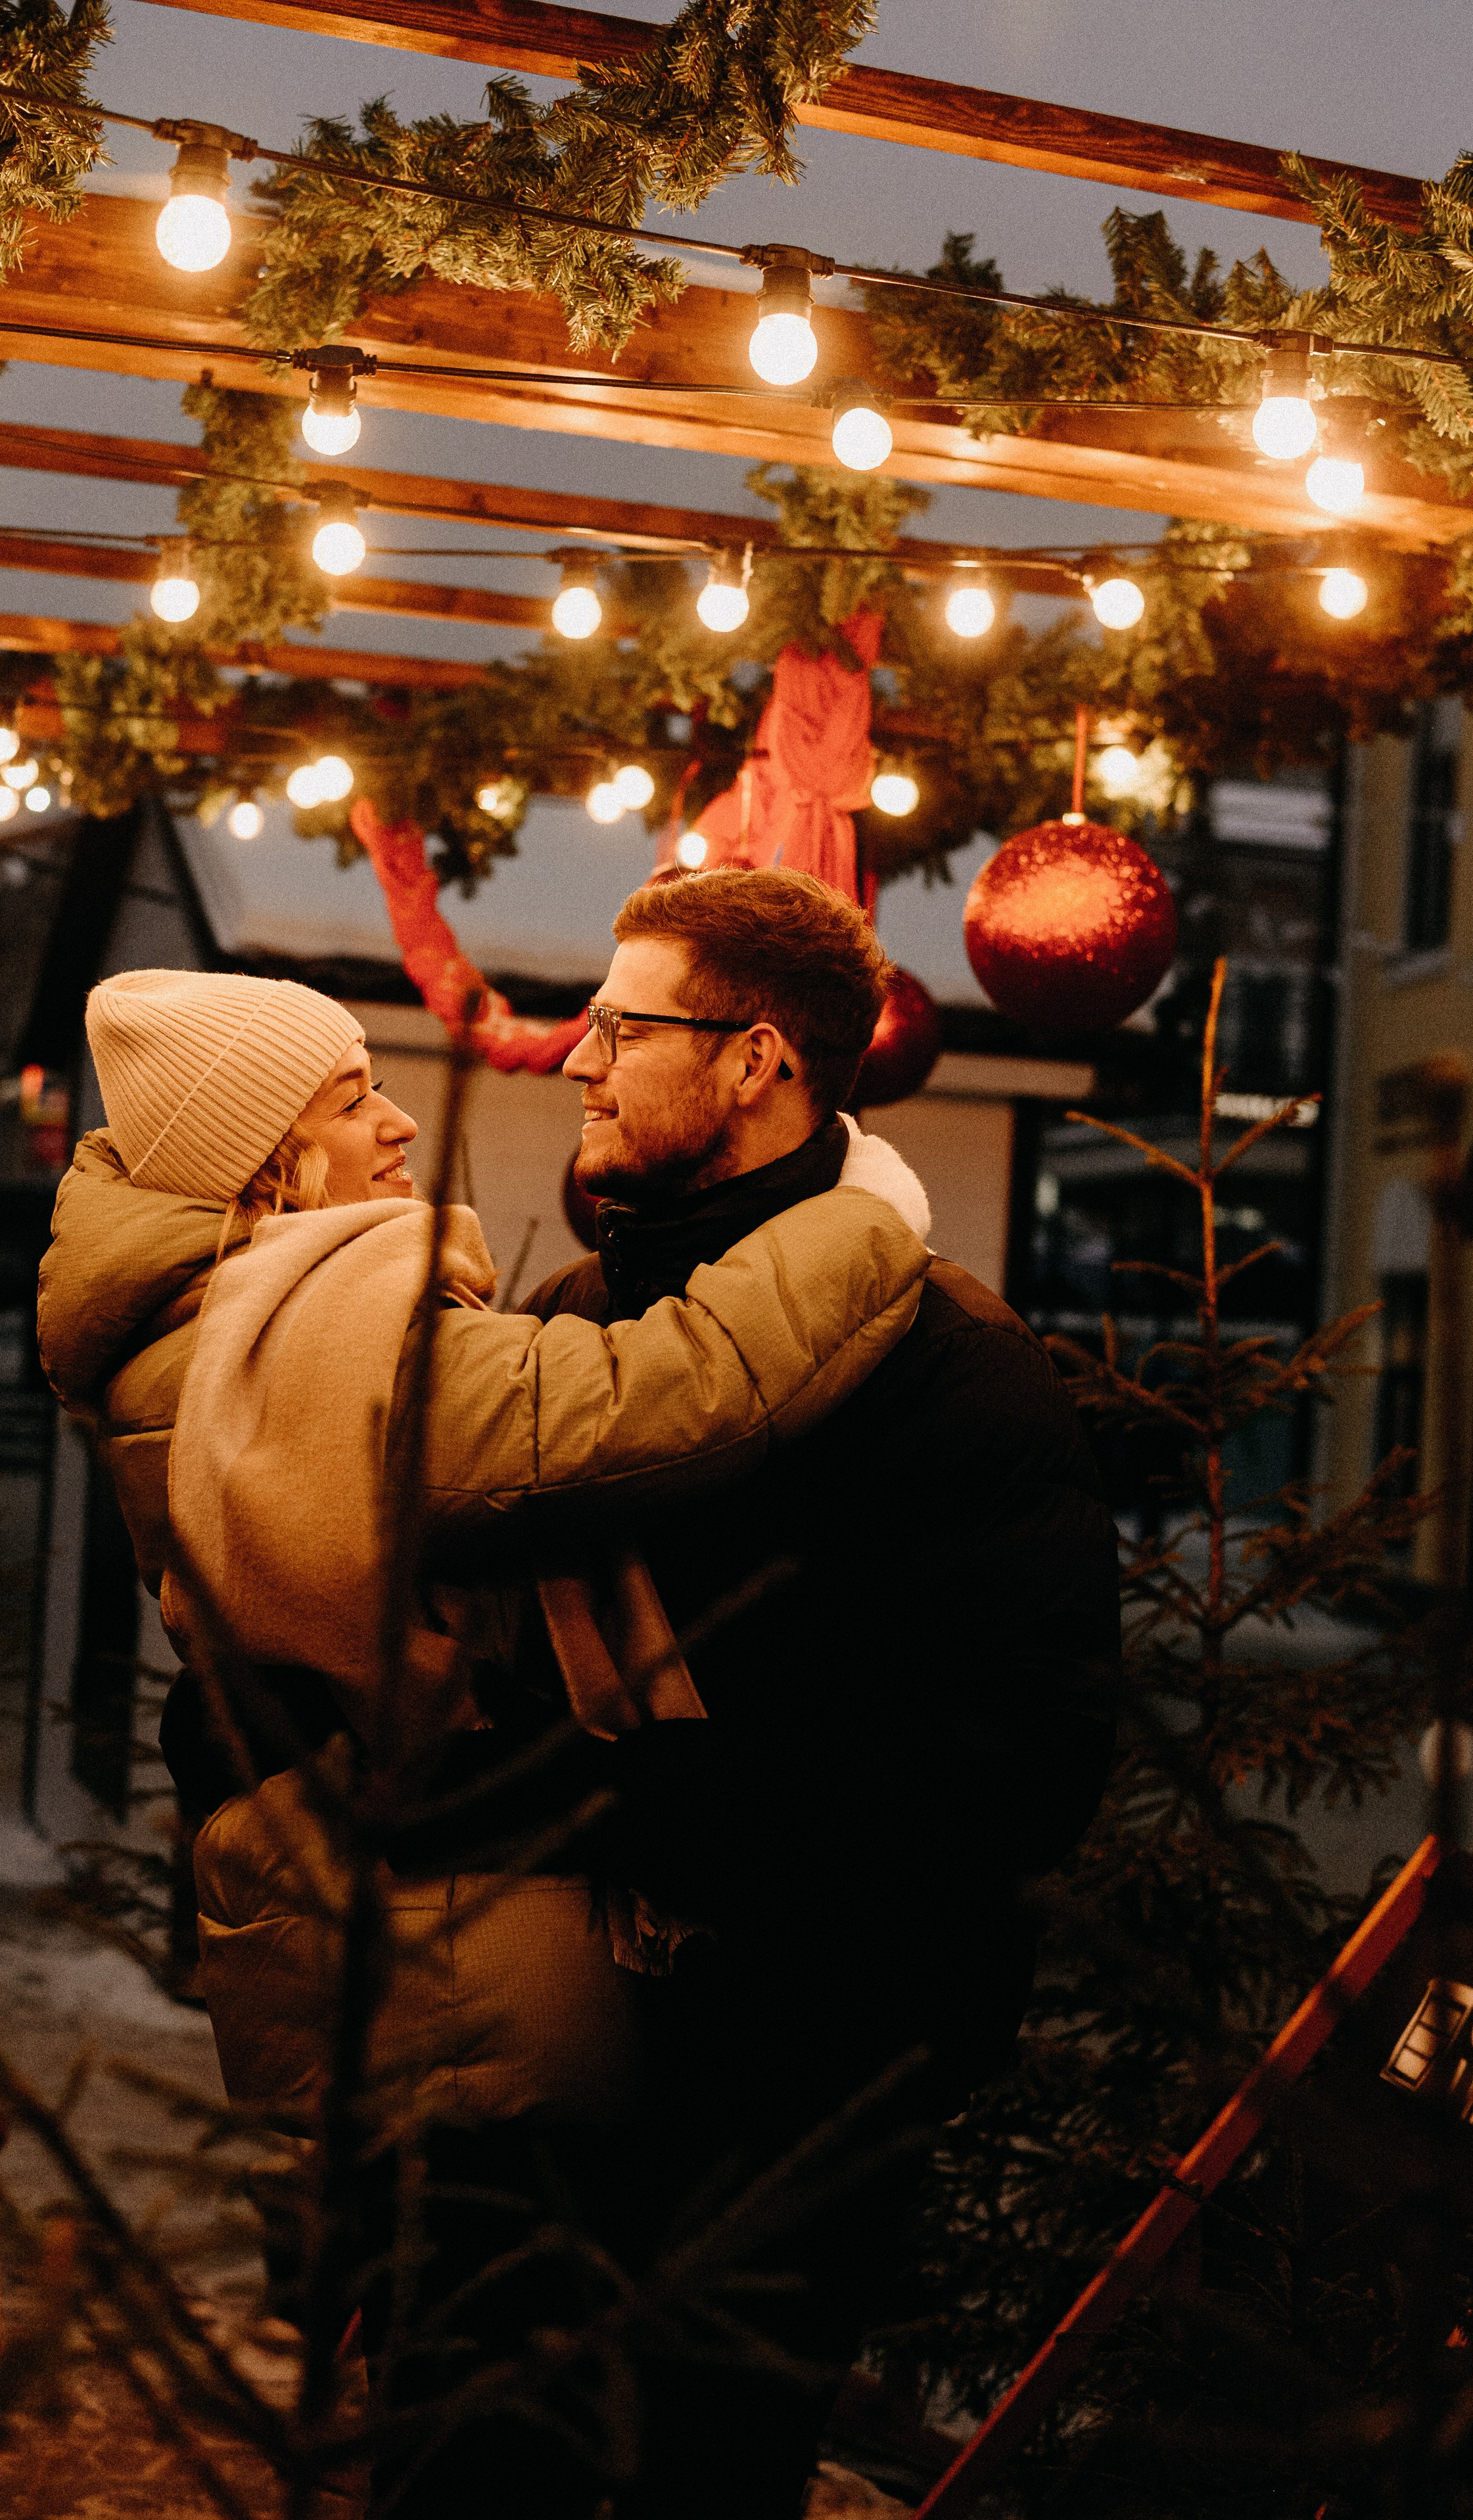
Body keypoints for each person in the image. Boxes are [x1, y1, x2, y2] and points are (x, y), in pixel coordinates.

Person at [35, 966, 933, 2412]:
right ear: (274, 1160)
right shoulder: (313, 1359)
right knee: (493, 2402)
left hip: (396, 1927)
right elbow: (667, 1396)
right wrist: (866, 1217)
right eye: (349, 1101)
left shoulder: (218, 1329)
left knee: (458, 2375)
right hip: (462, 1956)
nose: (397, 1123)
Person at [501, 865, 1121, 2517]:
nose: (578, 1059)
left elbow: (1020, 1758)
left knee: (700, 2479)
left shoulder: (949, 1368)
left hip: (801, 2071)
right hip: (543, 2057)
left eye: (622, 1028)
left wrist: (622, 1792)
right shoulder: (571, 1326)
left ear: (756, 1059)